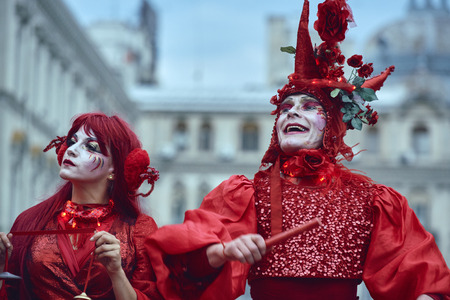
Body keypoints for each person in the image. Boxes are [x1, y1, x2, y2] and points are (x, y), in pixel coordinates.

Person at [145, 0, 450, 299]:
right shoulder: (244, 195)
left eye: (307, 107)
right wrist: (221, 253)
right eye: (286, 108)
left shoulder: (371, 201)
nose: (291, 113)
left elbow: (419, 275)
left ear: (331, 126)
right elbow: (182, 272)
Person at [0, 112, 162, 299]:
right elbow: (10, 294)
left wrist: (116, 273)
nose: (71, 150)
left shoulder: (138, 230)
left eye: (91, 147)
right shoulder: (30, 221)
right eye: (72, 142)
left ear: (116, 169)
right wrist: (1, 265)